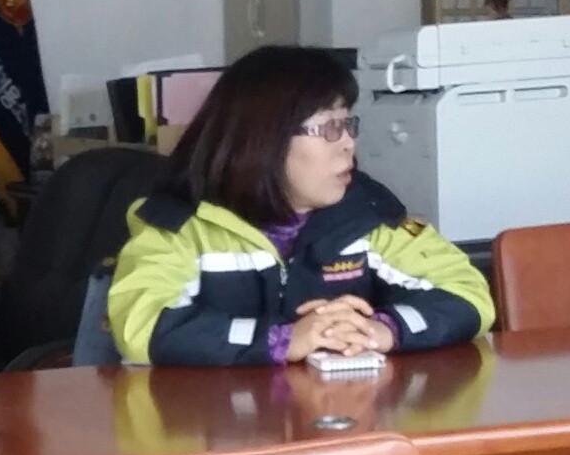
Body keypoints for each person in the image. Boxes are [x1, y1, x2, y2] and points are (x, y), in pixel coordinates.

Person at [107, 45, 493, 366]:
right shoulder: (181, 225)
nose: (348, 143)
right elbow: (140, 326)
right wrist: (281, 340)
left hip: (340, 416)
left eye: (348, 125)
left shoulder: (366, 213)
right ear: (265, 139)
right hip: (215, 425)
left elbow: (468, 293)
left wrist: (382, 328)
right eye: (330, 128)